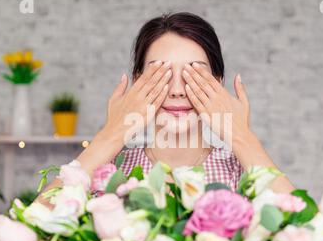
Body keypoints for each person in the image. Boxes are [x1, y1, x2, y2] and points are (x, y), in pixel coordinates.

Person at [35, 12, 294, 207]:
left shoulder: (244, 170)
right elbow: (31, 237)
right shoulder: (106, 173)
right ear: (138, 81)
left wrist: (241, 136)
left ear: (218, 83)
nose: (177, 90)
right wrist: (110, 135)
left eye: (194, 74)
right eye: (162, 74)